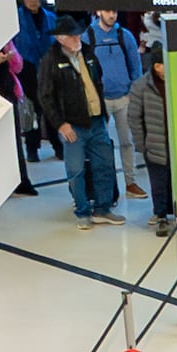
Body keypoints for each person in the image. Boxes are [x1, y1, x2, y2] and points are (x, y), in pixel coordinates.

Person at [35, 22, 118, 226]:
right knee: (76, 170)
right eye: (71, 36)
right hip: (72, 126)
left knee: (104, 165)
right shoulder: (51, 61)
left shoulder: (88, 54)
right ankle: (82, 211)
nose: (77, 39)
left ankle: (103, 208)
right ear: (60, 38)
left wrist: (103, 114)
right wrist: (60, 124)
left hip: (97, 121)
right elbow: (45, 96)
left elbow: (98, 81)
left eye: (78, 35)